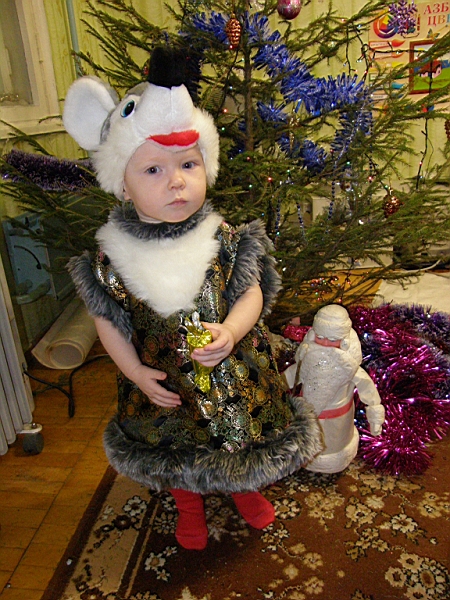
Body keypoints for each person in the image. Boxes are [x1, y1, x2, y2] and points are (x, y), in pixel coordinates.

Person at [64, 46, 323, 550]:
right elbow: (107, 321)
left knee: (240, 434)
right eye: (153, 171)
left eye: (188, 163)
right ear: (123, 184)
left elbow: (250, 292)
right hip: (163, 383)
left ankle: (244, 487)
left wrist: (233, 330)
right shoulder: (112, 255)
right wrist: (134, 373)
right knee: (174, 447)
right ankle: (188, 505)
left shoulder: (222, 236)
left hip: (231, 371)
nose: (177, 181)